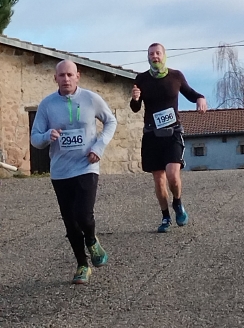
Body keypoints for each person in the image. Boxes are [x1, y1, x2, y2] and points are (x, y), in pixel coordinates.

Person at [31, 60, 117, 284]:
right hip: (60, 171)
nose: (66, 79)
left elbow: (111, 121)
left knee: (83, 214)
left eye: (70, 75)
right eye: (62, 75)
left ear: (78, 76)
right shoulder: (47, 105)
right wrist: (46, 136)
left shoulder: (91, 98)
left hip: (86, 166)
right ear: (55, 78)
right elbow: (35, 138)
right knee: (70, 223)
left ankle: (91, 239)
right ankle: (82, 265)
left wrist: (98, 147)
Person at [130, 43, 207, 233]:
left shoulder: (176, 76)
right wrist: (135, 98)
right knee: (159, 180)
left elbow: (190, 93)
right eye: (151, 54)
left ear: (164, 55)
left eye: (157, 53)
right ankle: (165, 216)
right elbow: (135, 108)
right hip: (151, 134)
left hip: (173, 132)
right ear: (147, 57)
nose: (154, 56)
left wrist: (200, 98)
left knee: (173, 176)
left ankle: (178, 204)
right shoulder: (141, 79)